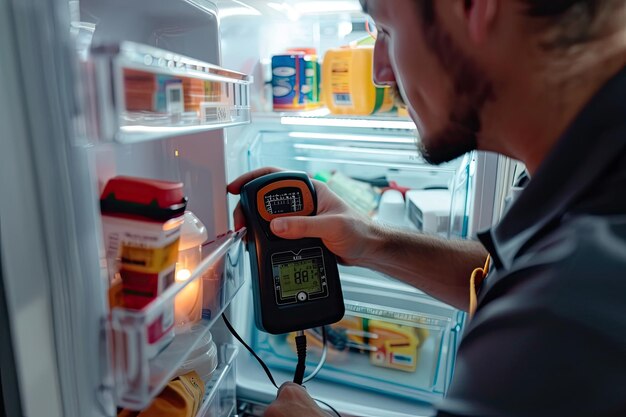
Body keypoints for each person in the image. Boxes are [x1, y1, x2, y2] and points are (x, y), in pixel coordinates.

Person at [228, 0, 626, 415]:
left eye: (386, 30)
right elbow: (505, 274)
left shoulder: (565, 310)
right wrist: (372, 241)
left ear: (474, 8)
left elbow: (545, 290)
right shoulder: (584, 180)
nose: (381, 74)